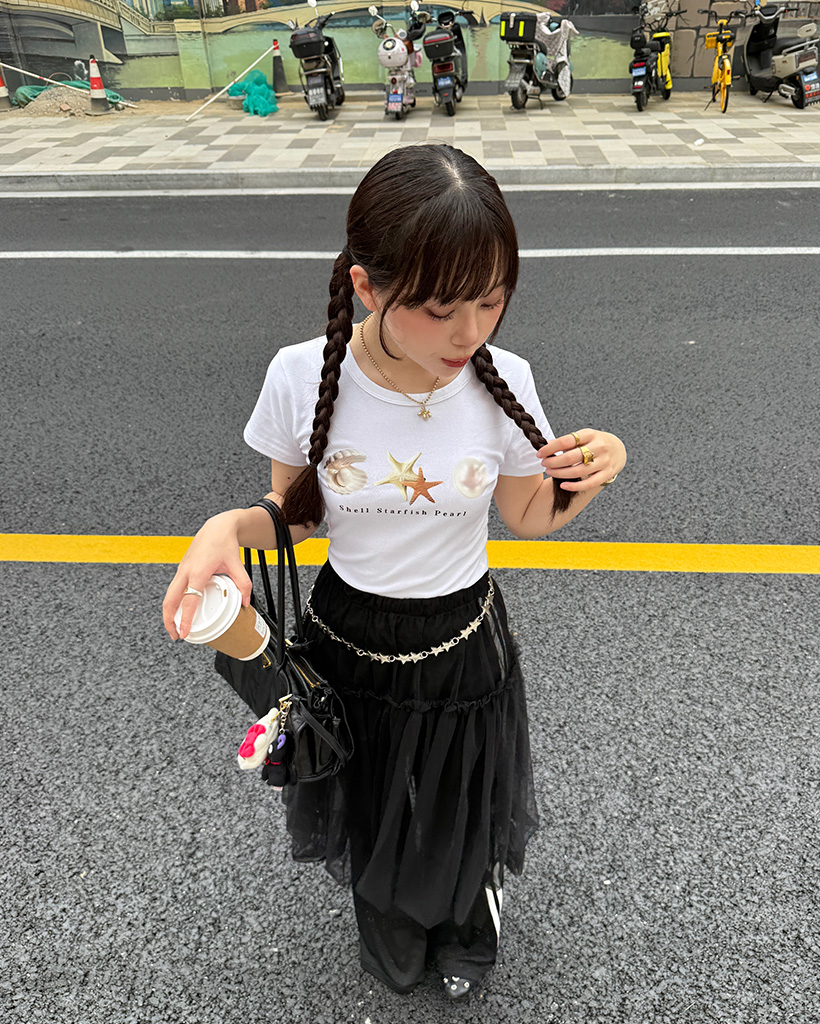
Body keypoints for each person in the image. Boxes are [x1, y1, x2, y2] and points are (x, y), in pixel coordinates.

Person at [163, 144, 627, 1001]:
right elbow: (299, 514)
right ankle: (389, 914)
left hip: (463, 635)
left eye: (491, 299)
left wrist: (599, 468)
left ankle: (464, 914)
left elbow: (527, 516)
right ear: (368, 287)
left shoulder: (506, 380)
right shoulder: (301, 375)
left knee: (458, 794)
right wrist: (227, 525)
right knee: (373, 791)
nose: (470, 333)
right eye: (441, 307)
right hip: (348, 633)